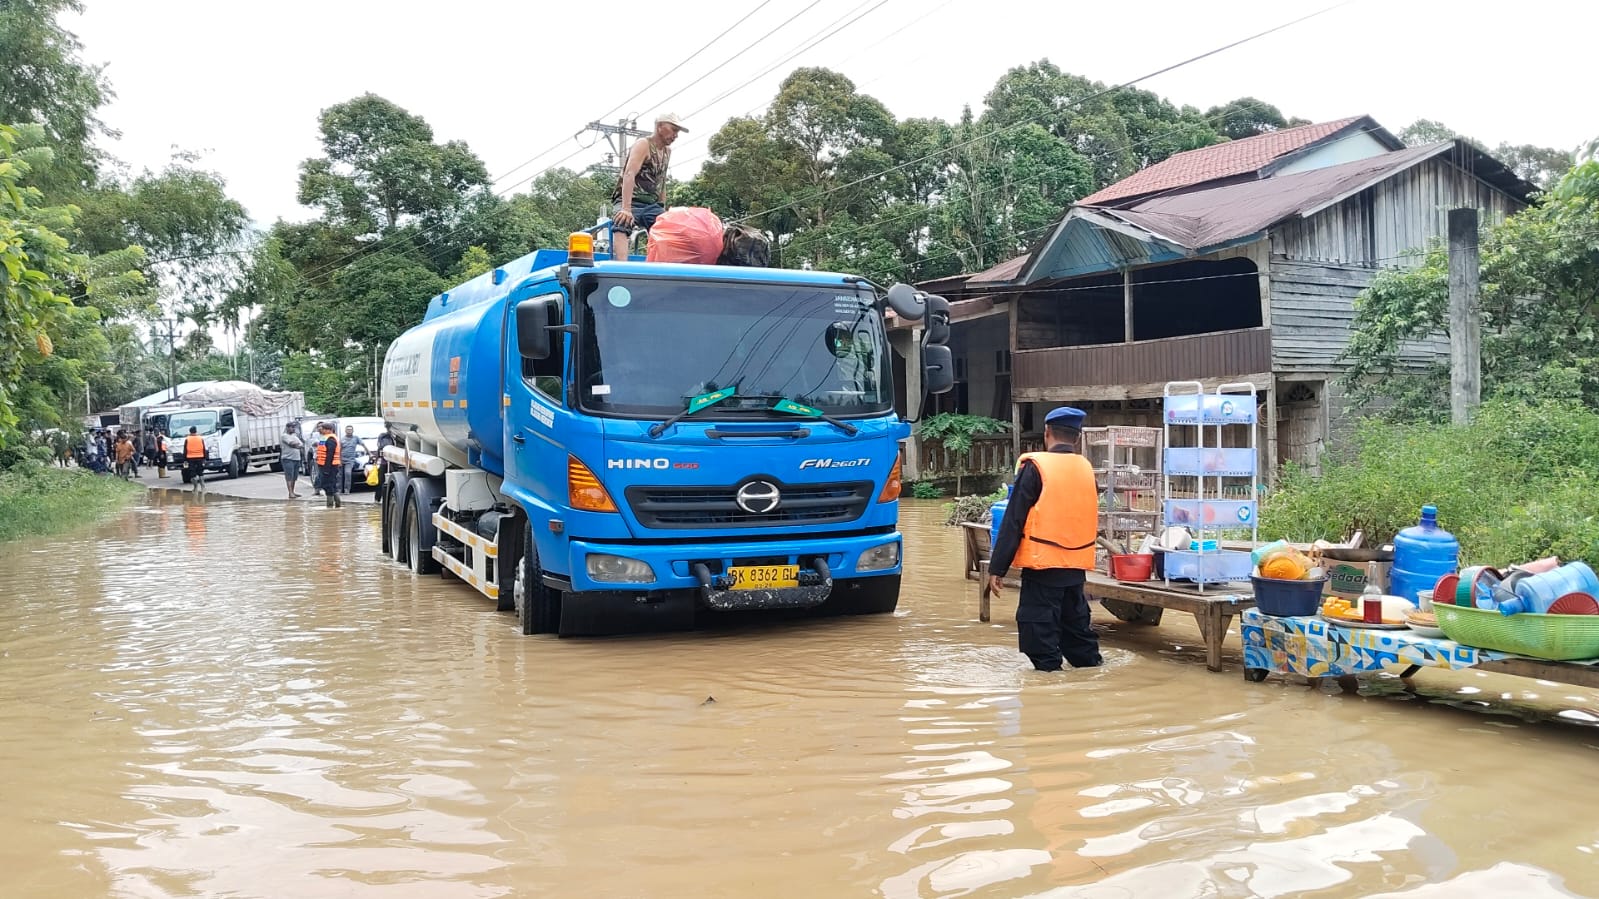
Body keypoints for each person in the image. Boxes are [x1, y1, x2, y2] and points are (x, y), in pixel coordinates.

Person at [987, 407, 1104, 672]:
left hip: (1044, 567)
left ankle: (1050, 684)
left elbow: (1013, 520)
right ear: (1077, 438)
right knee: (1078, 634)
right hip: (1075, 568)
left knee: (1039, 635)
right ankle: (1091, 674)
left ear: (1047, 433)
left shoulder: (1035, 468)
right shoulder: (1086, 469)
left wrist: (997, 568)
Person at [609, 112, 685, 253]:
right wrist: (626, 208)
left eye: (677, 132)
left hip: (651, 205)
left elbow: (662, 180)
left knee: (668, 227)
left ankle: (661, 263)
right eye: (673, 130)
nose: (675, 135)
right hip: (630, 201)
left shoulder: (667, 151)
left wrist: (662, 208)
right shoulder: (643, 144)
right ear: (659, 126)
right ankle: (621, 265)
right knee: (621, 222)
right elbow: (629, 174)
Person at [314, 422, 342, 509]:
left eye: (322, 429)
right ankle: (336, 505)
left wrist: (326, 469)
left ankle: (330, 506)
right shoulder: (325, 438)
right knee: (331, 485)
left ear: (328, 430)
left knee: (328, 485)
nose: (320, 430)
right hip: (325, 465)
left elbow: (330, 455)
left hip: (330, 466)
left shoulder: (331, 439)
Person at [280, 422, 304, 498]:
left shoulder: (295, 436)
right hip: (288, 458)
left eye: (294, 427)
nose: (293, 429)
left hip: (296, 458)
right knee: (289, 476)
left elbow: (301, 445)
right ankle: (290, 492)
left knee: (294, 476)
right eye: (292, 427)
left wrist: (296, 445)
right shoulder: (284, 436)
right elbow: (292, 444)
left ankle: (293, 492)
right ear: (287, 428)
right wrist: (296, 445)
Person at [183, 425, 207, 494]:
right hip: (200, 457)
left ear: (190, 432)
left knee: (192, 473)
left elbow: (185, 450)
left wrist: (184, 460)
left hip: (190, 458)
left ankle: (195, 488)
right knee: (200, 472)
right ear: (196, 431)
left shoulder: (187, 439)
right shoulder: (200, 438)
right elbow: (204, 448)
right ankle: (203, 487)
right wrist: (204, 458)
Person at [339, 424, 361, 495]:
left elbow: (363, 445)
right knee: (339, 475)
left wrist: (370, 454)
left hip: (350, 460)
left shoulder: (356, 438)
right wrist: (339, 460)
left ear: (353, 431)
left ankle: (347, 490)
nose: (349, 431)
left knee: (348, 473)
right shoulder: (342, 439)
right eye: (348, 430)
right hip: (342, 459)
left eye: (350, 430)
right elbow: (339, 450)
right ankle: (339, 490)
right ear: (345, 431)